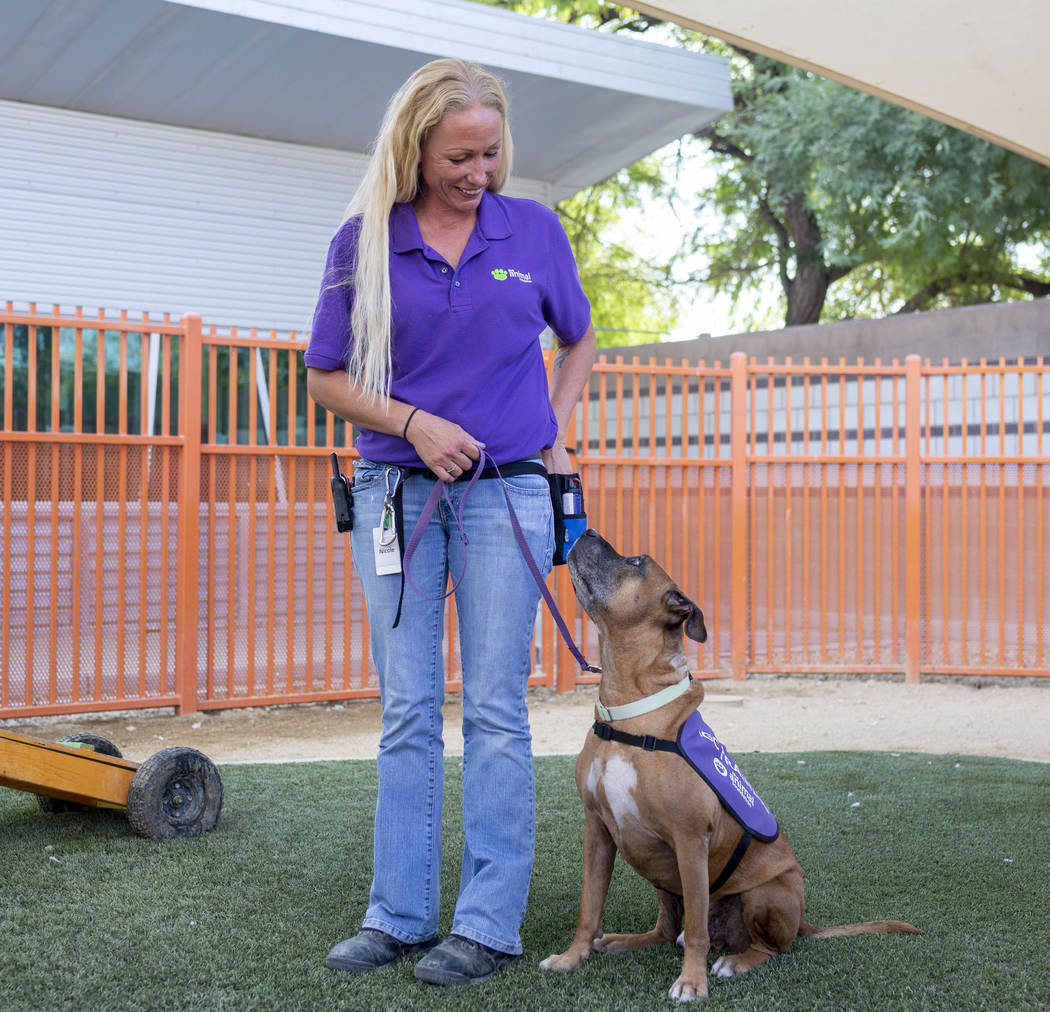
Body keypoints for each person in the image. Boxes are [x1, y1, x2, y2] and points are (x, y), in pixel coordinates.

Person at [304, 58, 596, 987]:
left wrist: (553, 435)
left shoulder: (533, 231)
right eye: (460, 156)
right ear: (415, 149)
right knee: (408, 708)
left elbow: (578, 336)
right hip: (396, 493)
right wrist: (411, 424)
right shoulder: (364, 243)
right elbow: (326, 377)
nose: (480, 172)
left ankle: (487, 925)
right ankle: (396, 916)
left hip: (508, 490)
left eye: (491, 151)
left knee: (499, 711)